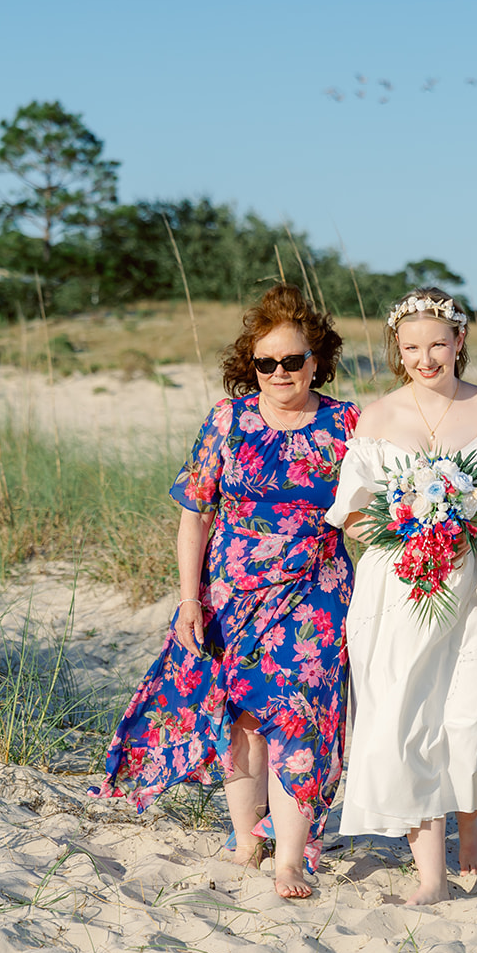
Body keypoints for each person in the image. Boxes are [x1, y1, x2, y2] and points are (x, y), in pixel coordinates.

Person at [96, 284, 360, 899]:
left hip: (314, 592)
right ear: (252, 365)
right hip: (232, 594)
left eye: (292, 361)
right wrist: (190, 598)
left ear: (316, 360)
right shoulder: (228, 419)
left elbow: (370, 510)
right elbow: (196, 512)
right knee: (242, 718)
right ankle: (246, 837)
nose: (279, 373)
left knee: (303, 717)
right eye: (266, 363)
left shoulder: (346, 422)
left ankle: (290, 858)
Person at [327, 287, 477, 906]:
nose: (426, 359)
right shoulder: (376, 417)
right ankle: (430, 875)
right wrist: (409, 522)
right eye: (412, 347)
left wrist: (473, 535)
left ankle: (470, 823)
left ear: (460, 344)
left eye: (438, 345)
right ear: (398, 349)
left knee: (472, 711)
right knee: (408, 716)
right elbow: (352, 515)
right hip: (401, 587)